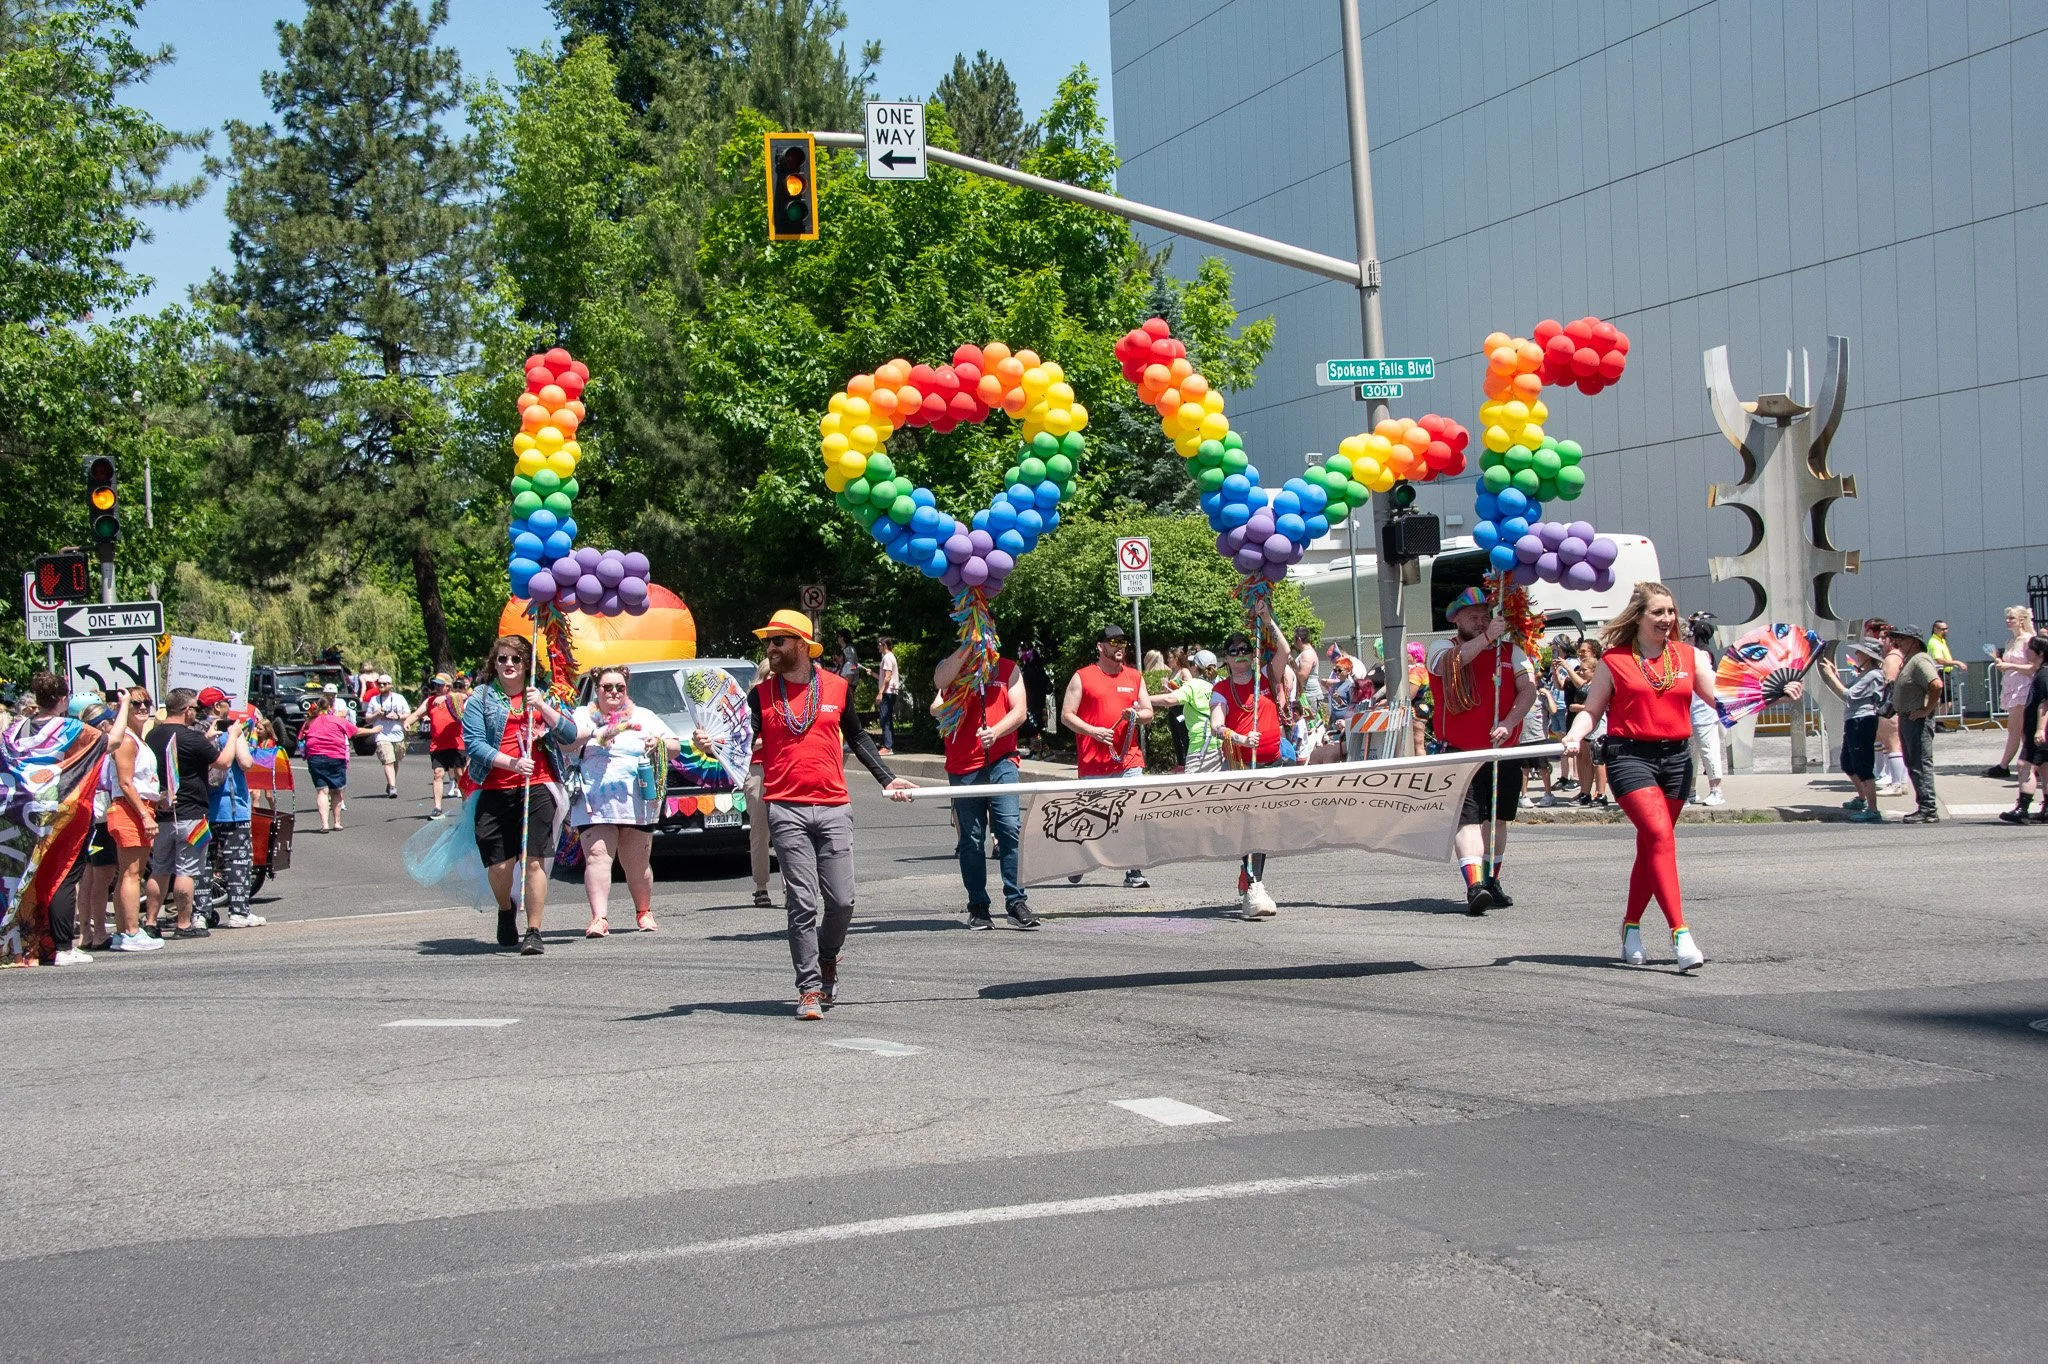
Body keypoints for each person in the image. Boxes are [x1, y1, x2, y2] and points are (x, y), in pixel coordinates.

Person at [1561, 583, 1782, 970]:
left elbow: (1723, 700)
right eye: (1658, 612)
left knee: (1652, 847)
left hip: (1678, 759)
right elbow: (1591, 710)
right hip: (1629, 756)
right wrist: (1575, 734)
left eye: (1671, 612)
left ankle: (1630, 926)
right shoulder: (1614, 661)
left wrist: (1772, 694)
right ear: (1639, 617)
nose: (1667, 619)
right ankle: (1681, 934)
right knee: (1661, 836)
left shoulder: (1690, 656)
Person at [749, 609, 914, 1019]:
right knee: (802, 902)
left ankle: (827, 957)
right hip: (785, 807)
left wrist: (887, 779)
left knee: (842, 902)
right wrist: (709, 743)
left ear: (802, 646)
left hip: (834, 806)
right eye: (768, 641)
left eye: (778, 641)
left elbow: (857, 736)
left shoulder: (838, 688)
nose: (771, 648)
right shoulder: (762, 694)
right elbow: (738, 742)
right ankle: (808, 988)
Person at [0, 673, 132, 964]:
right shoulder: (71, 728)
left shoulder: (14, 730)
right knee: (63, 875)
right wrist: (123, 705)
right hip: (61, 810)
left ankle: (27, 943)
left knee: (26, 875)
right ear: (63, 700)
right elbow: (115, 740)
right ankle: (61, 947)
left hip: (18, 813)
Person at [464, 632, 580, 955]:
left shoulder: (540, 695)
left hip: (539, 785)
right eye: (503, 659)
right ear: (494, 663)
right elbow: (474, 745)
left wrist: (542, 705)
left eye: (516, 659)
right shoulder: (481, 698)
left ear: (526, 663)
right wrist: (513, 763)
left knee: (534, 861)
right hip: (496, 787)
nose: (509, 664)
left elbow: (569, 733)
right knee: (500, 866)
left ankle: (534, 930)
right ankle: (505, 907)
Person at [1429, 586, 1537, 914]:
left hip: (1501, 750)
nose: (1480, 620)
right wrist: (1488, 637)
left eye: (1485, 615)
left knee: (1498, 820)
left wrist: (1509, 721)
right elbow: (1450, 664)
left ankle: (1492, 880)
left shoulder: (1511, 651)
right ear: (1456, 619)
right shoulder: (1440, 647)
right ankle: (1474, 884)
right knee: (1468, 820)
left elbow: (1528, 690)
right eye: (1473, 616)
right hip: (1459, 750)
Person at [931, 641, 1036, 930]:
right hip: (963, 766)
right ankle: (978, 905)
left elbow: (1020, 711)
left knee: (1009, 829)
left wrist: (996, 731)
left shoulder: (1008, 669)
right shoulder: (954, 670)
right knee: (972, 840)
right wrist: (966, 651)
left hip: (1001, 761)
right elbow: (939, 685)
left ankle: (1016, 901)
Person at [569, 665, 678, 937]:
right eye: (608, 687)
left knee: (637, 864)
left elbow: (675, 745)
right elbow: (565, 742)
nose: (614, 692)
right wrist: (597, 732)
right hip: (594, 801)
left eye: (620, 687)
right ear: (597, 689)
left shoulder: (644, 716)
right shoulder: (583, 715)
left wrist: (659, 743)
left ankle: (643, 911)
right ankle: (599, 918)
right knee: (597, 857)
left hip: (637, 800)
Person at [1060, 623, 1154, 889]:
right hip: (1093, 762)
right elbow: (1067, 715)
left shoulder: (1134, 677)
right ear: (1100, 647)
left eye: (1122, 642)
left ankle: (1133, 870)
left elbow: (1148, 711)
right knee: (1091, 818)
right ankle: (1079, 859)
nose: (1119, 647)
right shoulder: (1083, 676)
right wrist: (1093, 732)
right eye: (1113, 643)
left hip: (1129, 760)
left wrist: (1136, 716)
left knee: (1132, 813)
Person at [1212, 612, 1292, 917]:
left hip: (1272, 762)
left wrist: (1267, 619)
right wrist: (1242, 738)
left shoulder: (1266, 678)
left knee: (1265, 826)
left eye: (1245, 649)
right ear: (1227, 659)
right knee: (1252, 826)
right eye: (1234, 652)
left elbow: (1284, 651)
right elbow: (1216, 726)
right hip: (1242, 767)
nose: (1241, 655)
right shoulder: (1221, 689)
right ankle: (1255, 887)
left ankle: (1252, 879)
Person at [143, 688, 235, 940]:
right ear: (186, 710)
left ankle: (150, 922)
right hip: (192, 812)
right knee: (186, 870)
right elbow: (223, 762)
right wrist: (234, 735)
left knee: (159, 868)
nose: (196, 711)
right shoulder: (191, 737)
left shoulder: (153, 735)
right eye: (194, 707)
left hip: (162, 811)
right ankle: (184, 924)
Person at [199, 688, 265, 929]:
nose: (228, 705)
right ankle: (239, 911)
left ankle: (201, 912)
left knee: (203, 862)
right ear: (217, 707)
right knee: (237, 860)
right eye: (225, 702)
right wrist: (240, 737)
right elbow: (246, 763)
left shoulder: (194, 731)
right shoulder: (231, 731)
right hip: (232, 807)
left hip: (202, 808)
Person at [103, 688, 162, 951]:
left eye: (146, 703)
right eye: (136, 703)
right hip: (130, 808)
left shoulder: (139, 739)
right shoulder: (126, 739)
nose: (142, 708)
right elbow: (126, 783)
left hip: (140, 806)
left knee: (128, 873)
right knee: (131, 874)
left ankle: (122, 932)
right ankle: (131, 931)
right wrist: (143, 814)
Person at [1818, 639, 1887, 823]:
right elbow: (1847, 693)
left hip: (1862, 720)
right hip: (1853, 720)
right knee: (1848, 763)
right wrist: (1833, 675)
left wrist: (1830, 676)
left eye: (1860, 652)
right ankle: (1862, 798)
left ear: (1868, 656)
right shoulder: (1864, 674)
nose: (1857, 655)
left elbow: (1847, 695)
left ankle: (1873, 809)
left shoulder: (1873, 675)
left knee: (1863, 765)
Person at [1888, 624, 1943, 823]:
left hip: (1916, 720)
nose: (1898, 642)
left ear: (1914, 641)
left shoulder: (1919, 660)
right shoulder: (1910, 660)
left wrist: (1926, 710)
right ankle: (1925, 806)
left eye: (1903, 638)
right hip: (1907, 718)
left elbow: (1936, 684)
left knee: (1920, 762)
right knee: (1913, 763)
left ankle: (1928, 808)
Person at [297, 693, 368, 832]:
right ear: (330, 707)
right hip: (335, 757)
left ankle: (325, 824)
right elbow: (356, 731)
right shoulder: (337, 720)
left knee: (322, 792)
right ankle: (336, 822)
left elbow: (301, 738)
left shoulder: (310, 721)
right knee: (337, 791)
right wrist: (374, 730)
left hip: (315, 758)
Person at [1999, 635, 2048, 825]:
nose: (2025, 651)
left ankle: (2023, 808)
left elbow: (2045, 705)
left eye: (2029, 648)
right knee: (2044, 767)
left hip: (2039, 731)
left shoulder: (2044, 675)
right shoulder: (2041, 672)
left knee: (2024, 765)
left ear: (2040, 653)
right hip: (2039, 730)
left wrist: (2039, 730)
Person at [1987, 606, 2039, 779]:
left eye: (2012, 618)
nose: (2008, 621)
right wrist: (2001, 664)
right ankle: (2030, 764)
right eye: (2007, 618)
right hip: (2011, 687)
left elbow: (2033, 667)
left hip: (2023, 688)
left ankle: (2006, 765)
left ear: (2022, 620)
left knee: (2017, 729)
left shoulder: (2028, 640)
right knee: (2019, 729)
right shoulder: (2010, 642)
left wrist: (2010, 666)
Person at [1151, 649, 1222, 773]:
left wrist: (1142, 698)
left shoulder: (1194, 684)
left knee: (1193, 791)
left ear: (1195, 667)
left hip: (1200, 747)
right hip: (1222, 746)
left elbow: (1169, 699)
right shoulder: (1222, 682)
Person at [408, 674, 466, 817]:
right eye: (436, 685)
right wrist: (408, 721)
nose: (437, 688)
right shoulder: (430, 701)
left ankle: (466, 805)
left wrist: (446, 698)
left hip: (456, 743)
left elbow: (466, 696)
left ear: (447, 686)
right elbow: (417, 714)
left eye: (441, 685)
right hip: (438, 745)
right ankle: (437, 807)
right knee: (438, 774)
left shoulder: (455, 698)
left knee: (460, 774)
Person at [1685, 613, 1727, 806]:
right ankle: (1690, 790)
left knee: (1708, 750)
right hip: (1690, 710)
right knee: (1690, 754)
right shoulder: (1697, 651)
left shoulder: (1702, 653)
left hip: (1703, 710)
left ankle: (1716, 790)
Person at [1865, 619, 1908, 794]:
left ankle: (1898, 784)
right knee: (1890, 744)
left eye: (1885, 638)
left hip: (1890, 707)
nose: (1881, 642)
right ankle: (1897, 781)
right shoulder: (1896, 656)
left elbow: (1888, 684)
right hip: (1894, 706)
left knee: (1892, 744)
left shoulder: (1892, 658)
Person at [363, 673, 411, 798]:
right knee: (387, 760)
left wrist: (398, 716)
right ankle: (393, 787)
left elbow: (408, 713)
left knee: (395, 761)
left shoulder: (399, 698)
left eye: (384, 684)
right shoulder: (374, 700)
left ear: (390, 685)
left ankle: (390, 782)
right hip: (382, 734)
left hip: (397, 734)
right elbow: (367, 719)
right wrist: (376, 715)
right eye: (379, 683)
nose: (381, 685)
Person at [874, 637, 901, 755]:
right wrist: (873, 674)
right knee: (887, 718)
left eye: (879, 645)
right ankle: (888, 745)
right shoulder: (890, 657)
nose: (878, 647)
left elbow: (887, 677)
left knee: (885, 719)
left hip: (887, 692)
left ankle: (888, 747)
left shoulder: (887, 658)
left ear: (885, 645)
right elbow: (884, 677)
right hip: (890, 691)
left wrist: (880, 692)